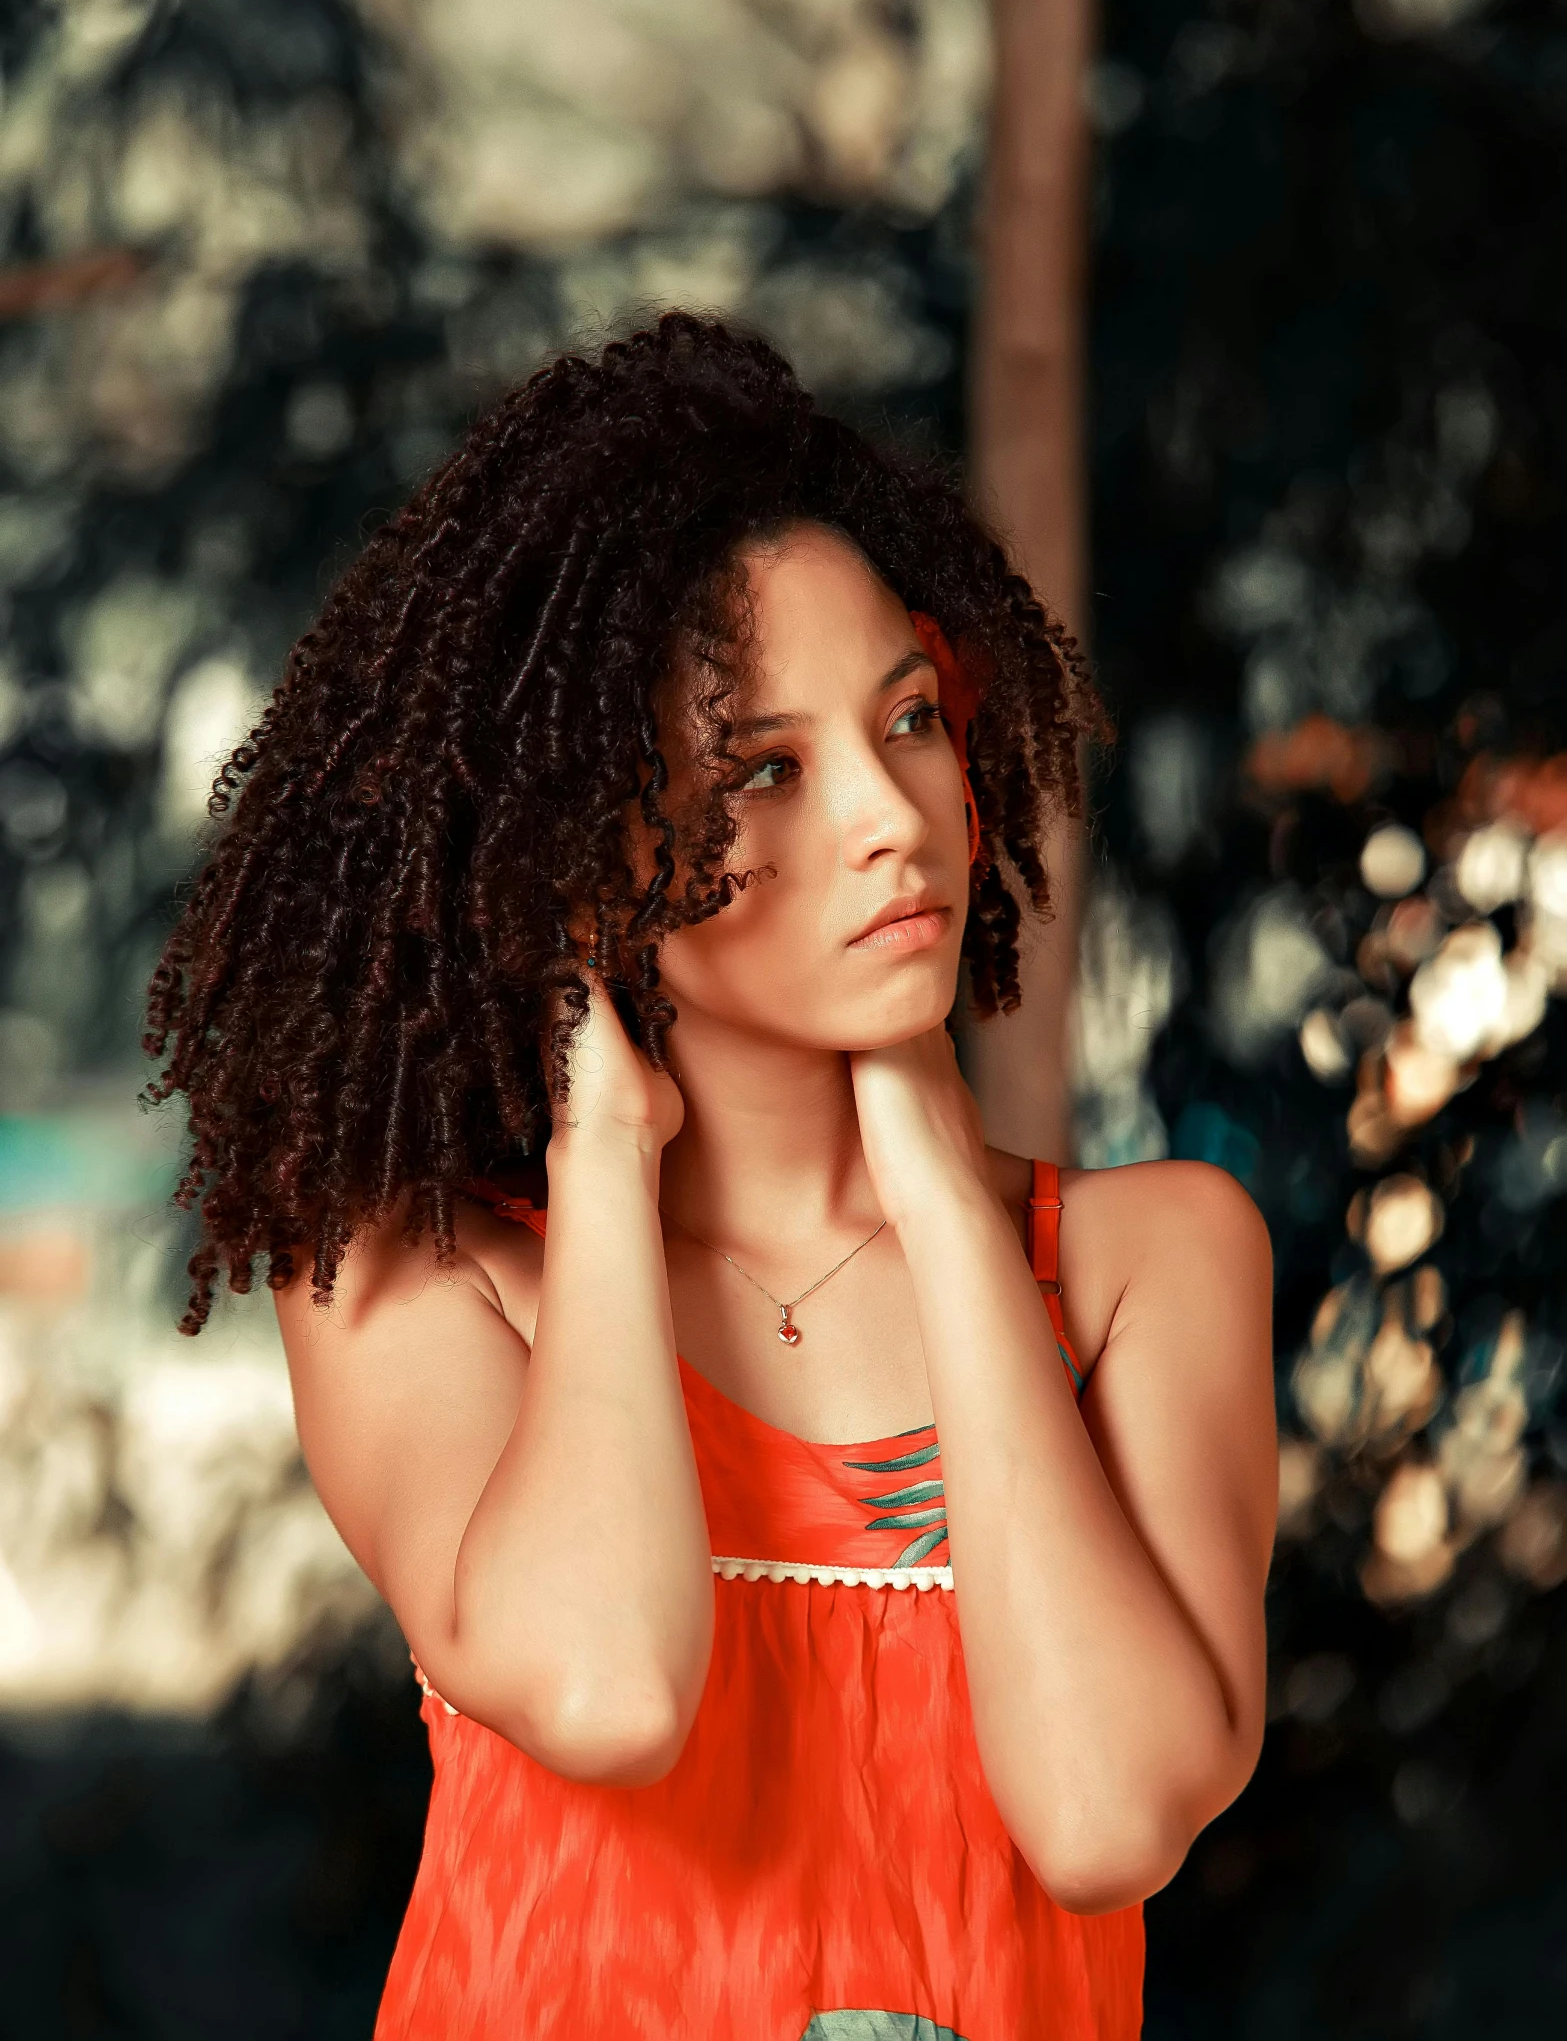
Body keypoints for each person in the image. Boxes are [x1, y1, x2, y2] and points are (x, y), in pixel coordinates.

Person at [146, 314, 1275, 2041]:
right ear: (586, 856)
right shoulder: (410, 1272)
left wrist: (926, 1166)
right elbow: (606, 1687)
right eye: (765, 770)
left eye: (906, 719)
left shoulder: (1150, 1261)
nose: (892, 814)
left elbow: (1105, 1816)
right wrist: (604, 1150)